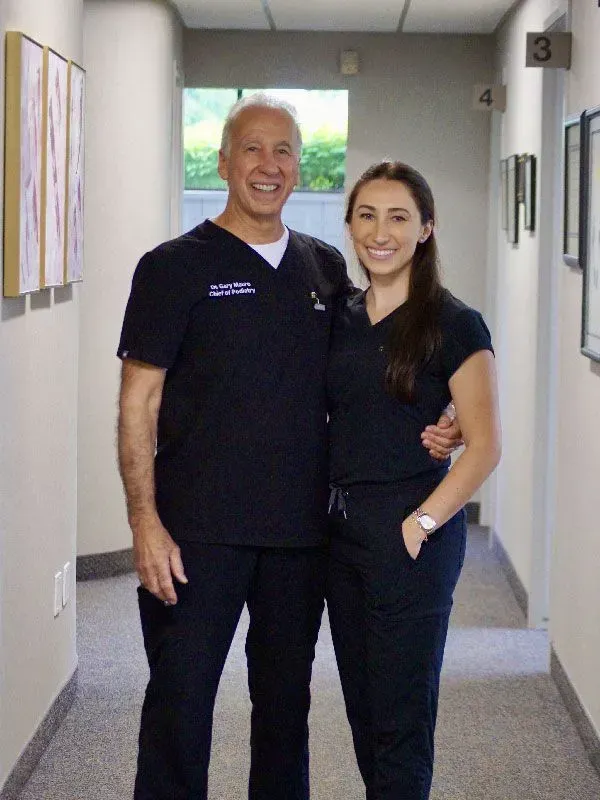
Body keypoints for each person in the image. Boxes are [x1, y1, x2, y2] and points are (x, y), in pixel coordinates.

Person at [116, 95, 461, 800]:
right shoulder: (171, 268)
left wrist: (448, 411)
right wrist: (143, 522)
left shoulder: (325, 268)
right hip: (194, 535)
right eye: (252, 148)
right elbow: (137, 403)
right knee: (180, 709)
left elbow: (375, 364)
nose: (268, 166)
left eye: (284, 152)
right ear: (222, 161)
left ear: (301, 167)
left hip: (301, 538)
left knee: (285, 712)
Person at [326, 161, 501, 800]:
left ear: (425, 228)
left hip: (411, 536)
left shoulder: (455, 324)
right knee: (364, 711)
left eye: (398, 216)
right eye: (367, 215)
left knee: (402, 717)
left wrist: (421, 524)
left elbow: (484, 446)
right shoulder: (339, 315)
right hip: (341, 538)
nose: (381, 232)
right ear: (349, 225)